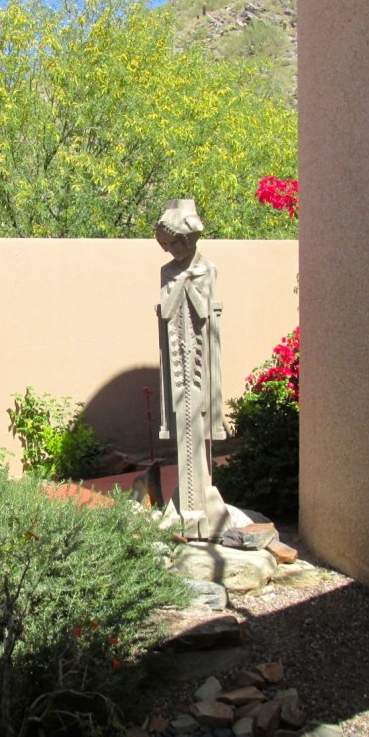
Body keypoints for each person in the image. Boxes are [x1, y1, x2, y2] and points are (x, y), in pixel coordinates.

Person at [155, 199, 228, 539]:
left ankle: (201, 507)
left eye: (174, 243)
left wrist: (189, 283)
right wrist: (180, 283)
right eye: (165, 245)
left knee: (198, 418)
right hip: (175, 356)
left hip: (200, 355)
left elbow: (202, 310)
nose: (170, 250)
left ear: (191, 239)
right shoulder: (167, 272)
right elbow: (167, 310)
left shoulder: (206, 269)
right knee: (181, 416)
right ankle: (185, 508)